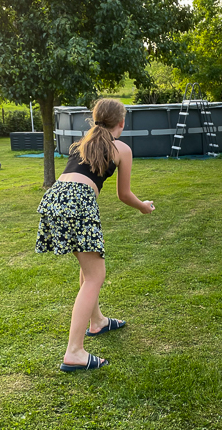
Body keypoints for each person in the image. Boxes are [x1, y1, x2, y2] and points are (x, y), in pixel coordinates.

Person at [35, 98, 155, 372]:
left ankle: (97, 321)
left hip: (55, 199)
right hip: (78, 202)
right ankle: (74, 352)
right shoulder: (121, 148)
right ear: (121, 123)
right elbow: (124, 194)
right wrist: (143, 207)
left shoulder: (82, 143)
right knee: (95, 276)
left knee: (88, 268)